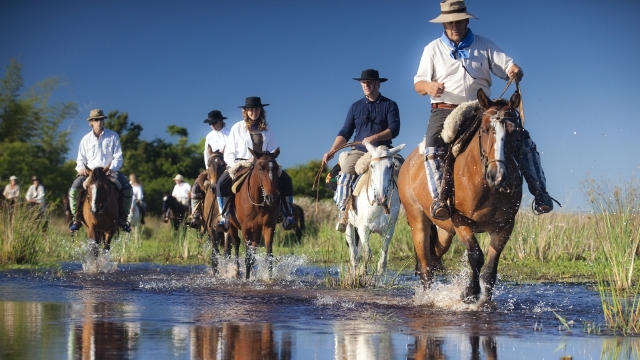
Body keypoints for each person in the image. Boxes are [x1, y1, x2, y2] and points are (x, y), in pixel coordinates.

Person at [413, 0, 553, 220]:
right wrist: (429, 86)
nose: (455, 27)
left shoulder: (484, 45)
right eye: (450, 23)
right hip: (445, 109)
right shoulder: (432, 49)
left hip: (481, 108)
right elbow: (418, 84)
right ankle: (439, 199)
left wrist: (514, 70)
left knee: (521, 138)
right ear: (443, 25)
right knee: (433, 144)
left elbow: (507, 66)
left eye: (459, 21)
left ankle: (541, 194)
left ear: (466, 20)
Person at [322, 69, 401, 232]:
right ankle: (344, 214)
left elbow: (394, 129)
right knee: (344, 175)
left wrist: (375, 137)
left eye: (370, 82)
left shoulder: (390, 105)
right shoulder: (355, 107)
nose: (367, 85)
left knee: (405, 171)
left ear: (378, 84)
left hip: (382, 150)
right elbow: (345, 131)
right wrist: (332, 151)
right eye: (364, 82)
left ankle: (412, 214)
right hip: (358, 151)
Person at [216, 96, 296, 230]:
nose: (254, 112)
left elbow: (271, 149)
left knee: (287, 180)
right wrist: (235, 164)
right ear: (246, 111)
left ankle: (288, 215)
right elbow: (229, 153)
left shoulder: (267, 128)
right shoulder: (237, 128)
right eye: (251, 109)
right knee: (221, 184)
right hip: (242, 164)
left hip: (263, 164)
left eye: (257, 109)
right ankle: (224, 217)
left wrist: (268, 159)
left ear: (260, 110)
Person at [68, 109, 133, 232]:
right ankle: (76, 218)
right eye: (95, 120)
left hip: (108, 171)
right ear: (91, 122)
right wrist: (81, 168)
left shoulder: (113, 136)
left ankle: (123, 219)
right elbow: (80, 160)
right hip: (90, 173)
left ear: (104, 121)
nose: (98, 122)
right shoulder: (85, 140)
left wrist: (112, 168)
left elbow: (118, 156)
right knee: (73, 190)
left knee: (128, 190)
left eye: (101, 119)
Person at [188, 110, 230, 229]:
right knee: (196, 186)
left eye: (214, 122)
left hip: (225, 167)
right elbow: (206, 154)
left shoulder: (229, 134)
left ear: (221, 121)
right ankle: (196, 215)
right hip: (211, 168)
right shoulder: (209, 136)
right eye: (210, 124)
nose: (212, 125)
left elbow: (232, 152)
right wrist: (208, 170)